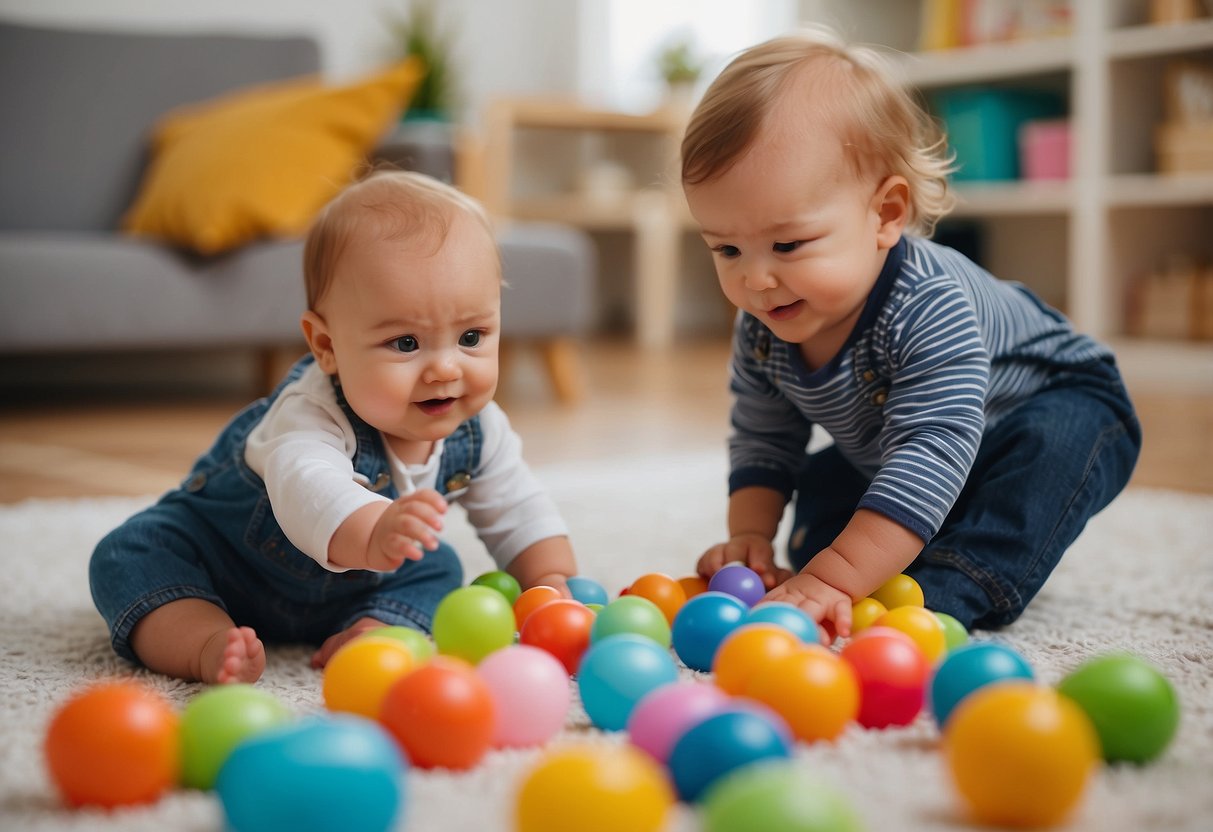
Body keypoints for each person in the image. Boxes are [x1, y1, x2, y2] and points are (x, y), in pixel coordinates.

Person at [681, 27, 1140, 639]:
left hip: (1054, 408)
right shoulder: (764, 327)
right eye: (727, 248)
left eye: (787, 244)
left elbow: (934, 445)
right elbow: (764, 436)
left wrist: (837, 578)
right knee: (824, 489)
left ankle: (950, 586)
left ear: (886, 214)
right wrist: (750, 537)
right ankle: (891, 556)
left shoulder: (927, 305)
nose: (757, 279)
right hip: (908, 446)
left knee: (1046, 453)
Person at [90, 170, 578, 683]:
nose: (446, 369)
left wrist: (550, 580)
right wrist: (376, 530)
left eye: (472, 336)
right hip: (225, 568)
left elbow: (517, 506)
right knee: (129, 553)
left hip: (357, 584)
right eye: (406, 343)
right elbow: (309, 489)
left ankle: (373, 628)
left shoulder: (480, 428)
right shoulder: (311, 413)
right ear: (326, 347)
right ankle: (205, 641)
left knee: (439, 569)